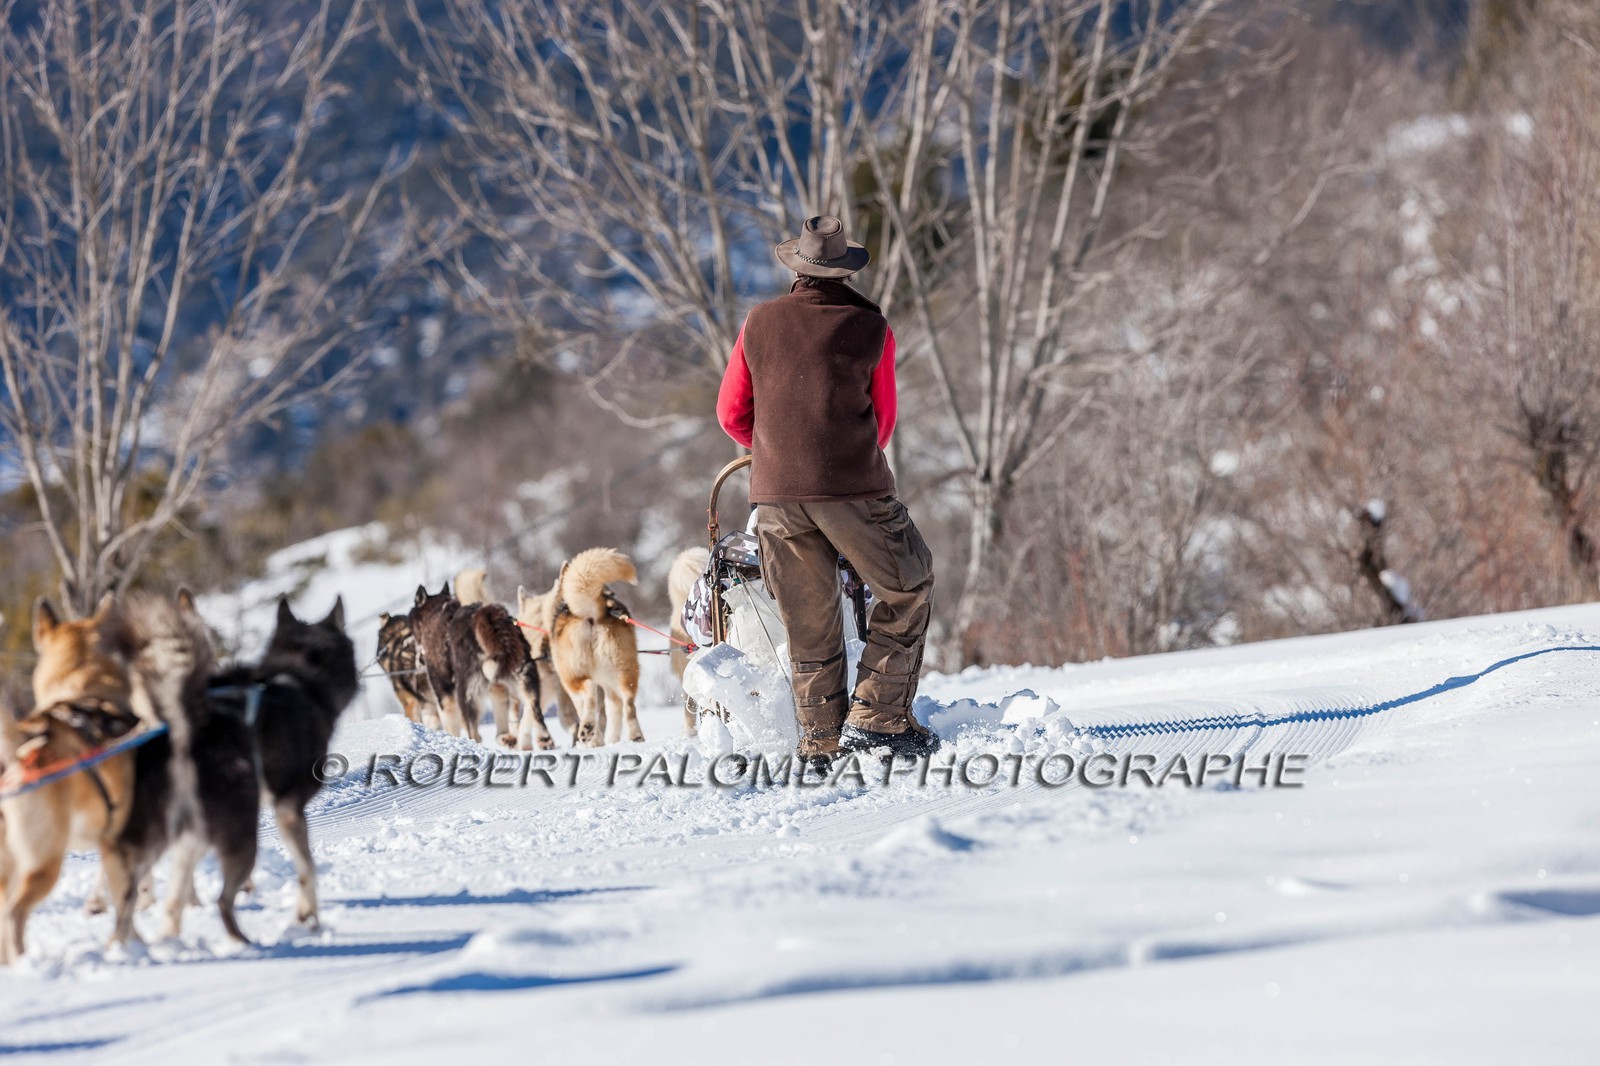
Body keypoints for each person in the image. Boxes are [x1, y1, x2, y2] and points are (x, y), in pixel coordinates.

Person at [716, 215, 940, 764]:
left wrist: (776, 450)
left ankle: (822, 740)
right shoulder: (871, 325)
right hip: (853, 489)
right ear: (846, 272)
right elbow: (883, 421)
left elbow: (730, 414)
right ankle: (878, 718)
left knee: (808, 619)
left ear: (797, 269)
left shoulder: (758, 322)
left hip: (775, 495)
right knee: (908, 585)